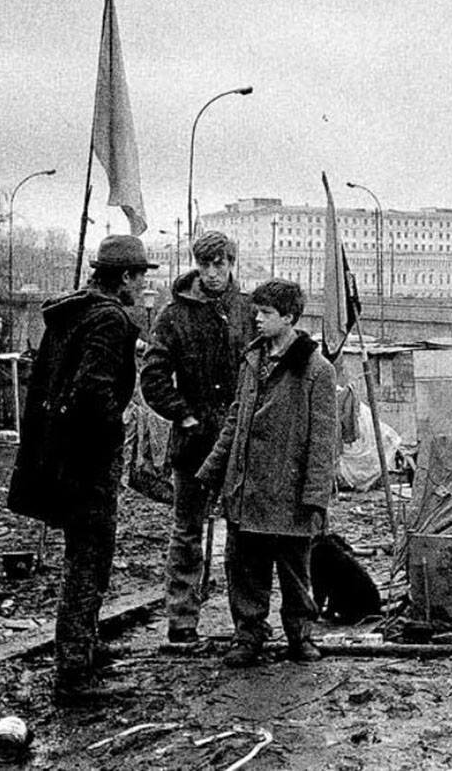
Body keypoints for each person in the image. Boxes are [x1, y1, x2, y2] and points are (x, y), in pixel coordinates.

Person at [7, 235, 156, 705]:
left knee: (82, 558)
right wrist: (120, 418)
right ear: (127, 277)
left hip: (60, 458)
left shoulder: (72, 312)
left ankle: (80, 655)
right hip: (88, 463)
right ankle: (75, 673)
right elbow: (93, 389)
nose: (143, 284)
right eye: (141, 276)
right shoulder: (111, 319)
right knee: (90, 561)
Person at [197, 279, 339, 667]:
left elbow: (324, 438)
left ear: (290, 318)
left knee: (295, 571)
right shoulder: (252, 360)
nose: (257, 319)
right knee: (245, 569)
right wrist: (212, 470)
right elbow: (235, 420)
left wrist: (315, 496)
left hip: (289, 492)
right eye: (256, 312)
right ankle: (248, 635)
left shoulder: (316, 369)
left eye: (266, 313)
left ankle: (300, 635)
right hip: (247, 488)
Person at [140, 231, 253, 644]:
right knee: (186, 532)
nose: (212, 273)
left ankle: (248, 624)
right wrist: (183, 416)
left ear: (231, 263)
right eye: (204, 265)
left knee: (244, 533)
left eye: (219, 264)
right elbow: (152, 377)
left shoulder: (249, 311)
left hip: (241, 440)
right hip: (194, 439)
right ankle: (182, 620)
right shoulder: (173, 314)